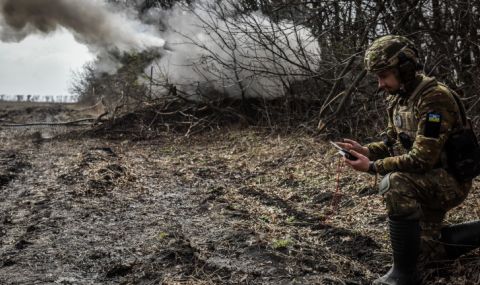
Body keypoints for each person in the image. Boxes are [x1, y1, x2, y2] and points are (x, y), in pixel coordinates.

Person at [336, 35, 480, 285]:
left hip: (449, 181)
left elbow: (421, 159)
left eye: (384, 76)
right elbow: (394, 143)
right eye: (378, 77)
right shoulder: (400, 98)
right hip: (428, 178)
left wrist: (372, 167)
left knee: (394, 183)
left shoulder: (434, 100)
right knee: (427, 254)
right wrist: (366, 150)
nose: (380, 84)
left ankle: (403, 276)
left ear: (405, 69)